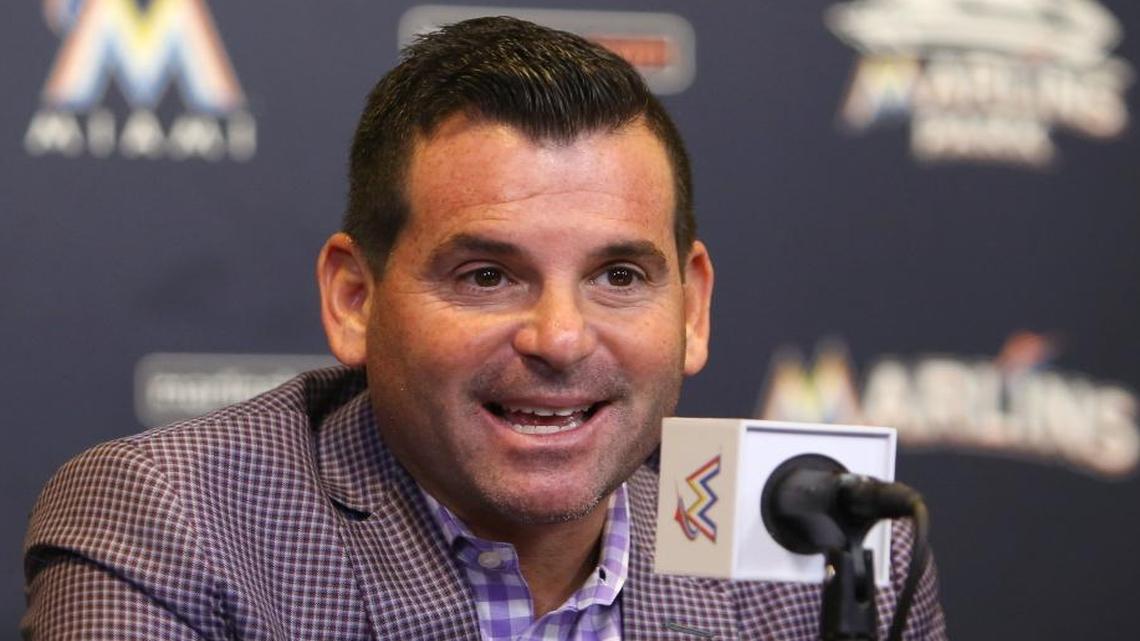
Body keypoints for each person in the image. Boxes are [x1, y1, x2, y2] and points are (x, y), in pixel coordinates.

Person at [23, 16, 946, 640]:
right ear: (354, 298)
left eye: (619, 276)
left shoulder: (828, 548)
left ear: (693, 308)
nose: (560, 338)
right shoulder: (175, 518)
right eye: (488, 276)